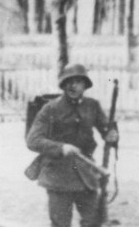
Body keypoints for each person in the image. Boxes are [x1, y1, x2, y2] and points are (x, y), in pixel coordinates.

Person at [26, 64, 119, 227]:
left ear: (85, 85)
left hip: (85, 173)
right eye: (68, 81)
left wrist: (112, 135)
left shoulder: (92, 106)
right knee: (60, 223)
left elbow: (106, 129)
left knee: (93, 221)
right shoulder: (51, 108)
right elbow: (33, 140)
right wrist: (61, 148)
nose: (73, 85)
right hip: (58, 175)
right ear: (63, 85)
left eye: (78, 81)